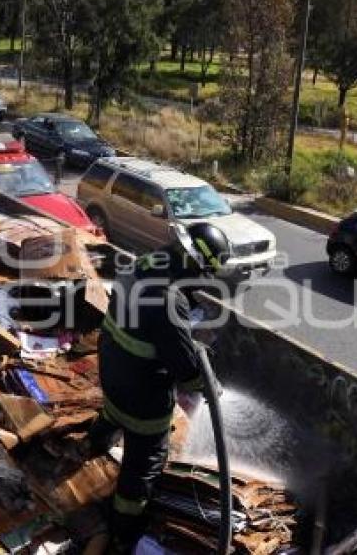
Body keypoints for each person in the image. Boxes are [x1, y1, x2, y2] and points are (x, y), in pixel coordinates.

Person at [89, 223, 229, 553]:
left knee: (112, 412)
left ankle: (93, 444)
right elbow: (186, 368)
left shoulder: (144, 263)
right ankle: (124, 530)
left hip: (112, 368)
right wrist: (210, 387)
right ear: (196, 265)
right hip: (144, 395)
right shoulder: (170, 301)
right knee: (143, 465)